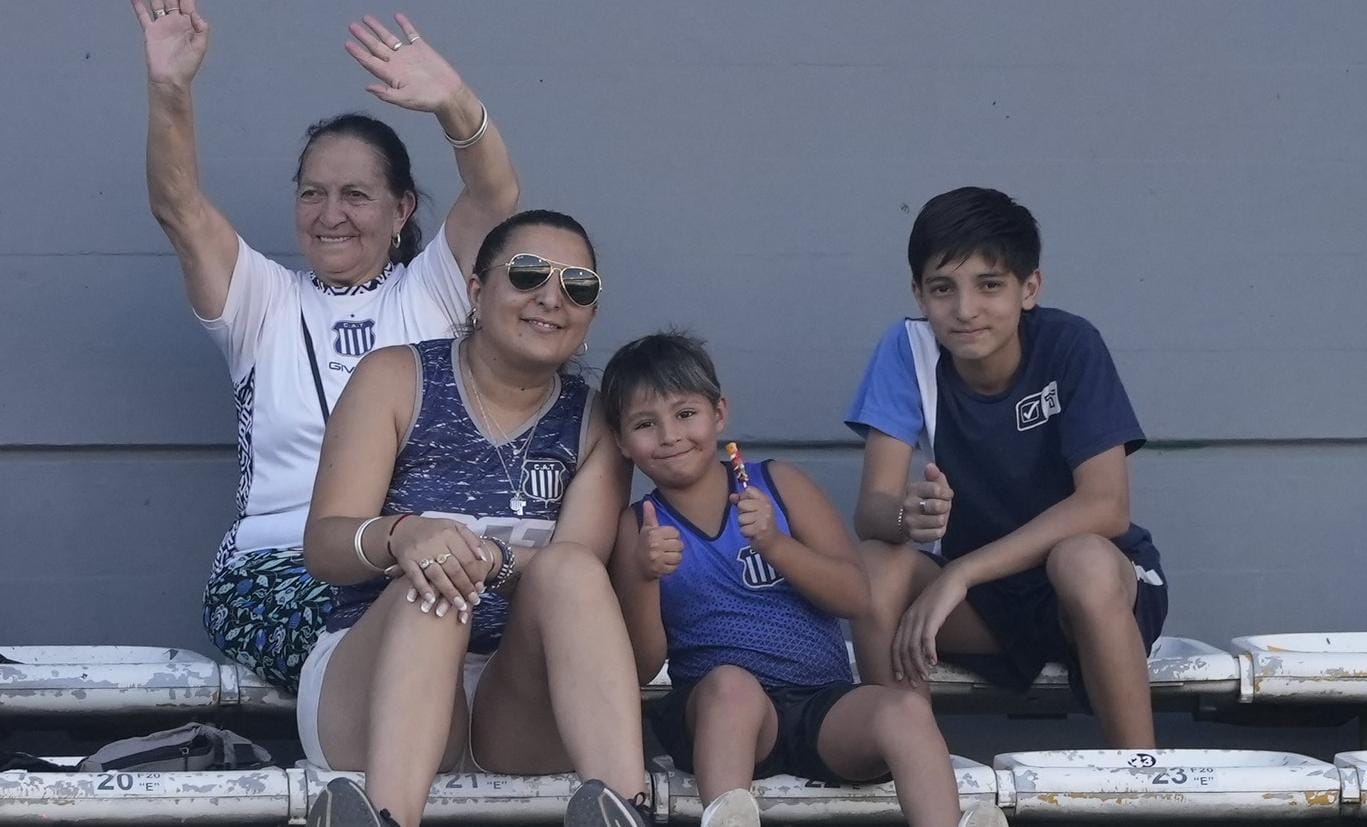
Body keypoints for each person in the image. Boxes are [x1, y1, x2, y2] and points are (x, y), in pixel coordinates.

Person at [133, 0, 520, 691]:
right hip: (274, 573)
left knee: (498, 621)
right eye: (312, 193)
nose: (330, 214)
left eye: (355, 195)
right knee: (418, 626)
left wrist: (455, 105)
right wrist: (171, 88)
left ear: (402, 209)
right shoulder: (264, 300)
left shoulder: (430, 290)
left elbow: (495, 195)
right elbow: (180, 208)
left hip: (419, 567)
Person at [298, 210, 651, 827]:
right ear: (477, 290)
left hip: (514, 701)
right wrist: (404, 535)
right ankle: (387, 817)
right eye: (528, 274)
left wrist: (495, 558)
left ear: (591, 315)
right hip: (370, 686)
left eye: (578, 286)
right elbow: (325, 544)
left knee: (568, 570)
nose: (551, 297)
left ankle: (626, 809)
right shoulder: (398, 376)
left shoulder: (595, 420)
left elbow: (577, 575)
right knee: (434, 584)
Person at [601, 333, 1007, 827]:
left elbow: (856, 597)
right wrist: (645, 578)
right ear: (622, 441)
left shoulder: (780, 483)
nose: (669, 435)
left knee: (905, 711)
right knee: (732, 689)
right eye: (646, 424)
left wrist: (776, 544)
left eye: (686, 414)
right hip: (721, 715)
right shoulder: (638, 526)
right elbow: (641, 666)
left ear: (719, 413)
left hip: (822, 704)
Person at [846, 186, 1168, 748]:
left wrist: (960, 572)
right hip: (989, 606)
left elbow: (1107, 506)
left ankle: (1140, 781)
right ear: (918, 293)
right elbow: (872, 511)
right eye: (943, 288)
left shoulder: (1069, 343)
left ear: (1030, 288)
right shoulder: (908, 351)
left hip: (1094, 592)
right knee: (877, 567)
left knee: (1082, 559)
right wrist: (906, 517)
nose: (965, 310)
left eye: (989, 285)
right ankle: (916, 776)